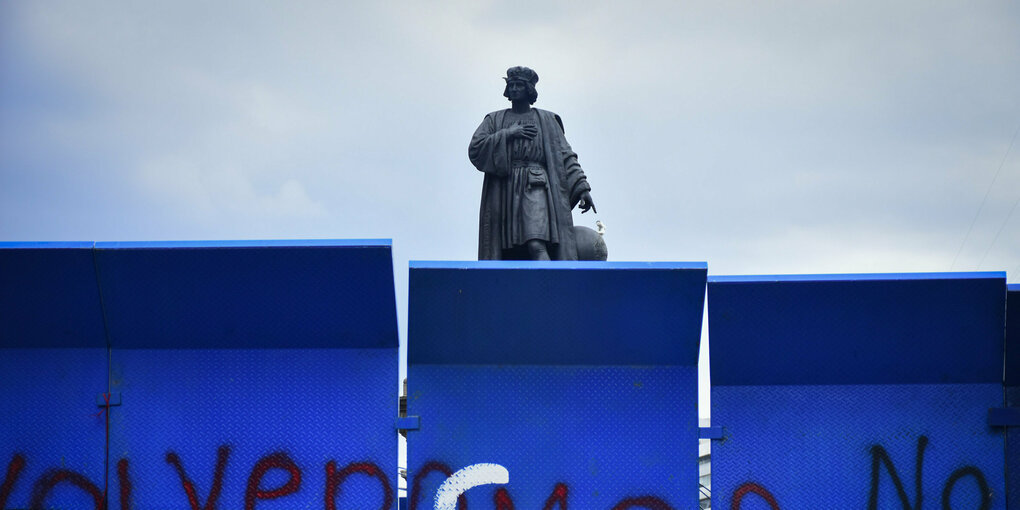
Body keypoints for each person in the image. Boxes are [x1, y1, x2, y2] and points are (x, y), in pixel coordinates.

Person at [469, 66, 597, 260]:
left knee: (537, 243)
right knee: (505, 250)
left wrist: (582, 188)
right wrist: (508, 134)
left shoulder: (547, 119)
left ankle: (550, 285)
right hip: (504, 188)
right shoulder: (494, 119)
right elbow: (476, 148)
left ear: (529, 89)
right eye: (511, 85)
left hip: (535, 184)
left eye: (519, 85)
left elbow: (566, 155)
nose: (514, 89)